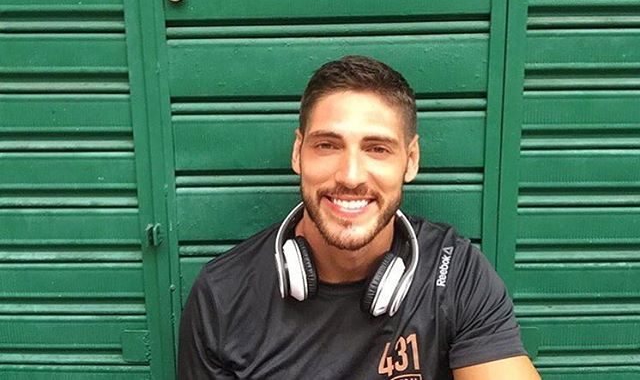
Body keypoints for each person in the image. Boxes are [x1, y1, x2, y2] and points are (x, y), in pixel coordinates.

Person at [178, 55, 541, 379]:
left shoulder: (454, 271)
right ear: (298, 153)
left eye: (377, 149)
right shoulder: (222, 295)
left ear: (411, 160)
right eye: (327, 145)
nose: (350, 176)